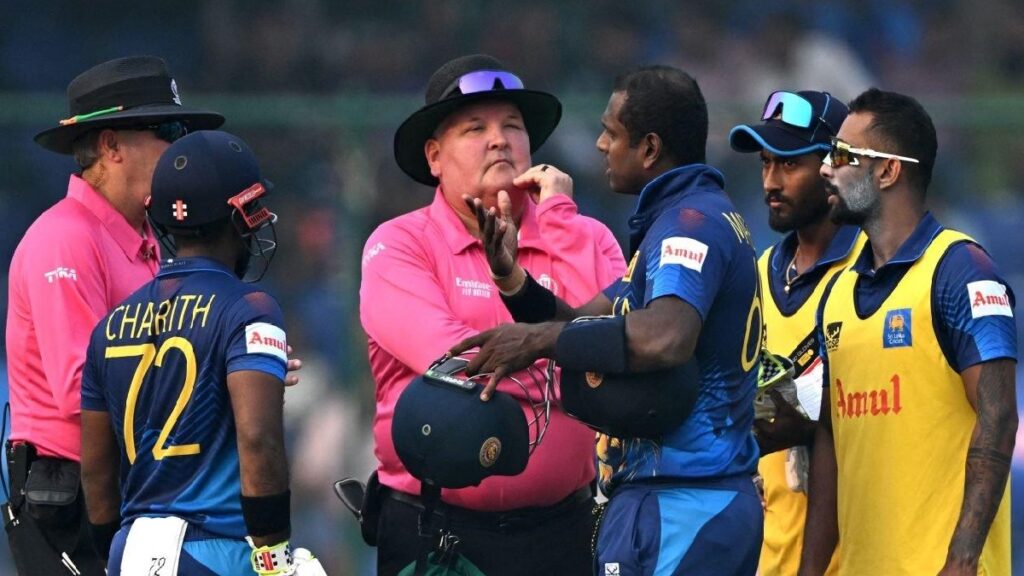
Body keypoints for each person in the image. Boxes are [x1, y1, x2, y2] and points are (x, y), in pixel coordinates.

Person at [452, 65, 763, 575]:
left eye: (611, 133)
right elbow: (584, 322)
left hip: (688, 503)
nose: (600, 145)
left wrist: (540, 340)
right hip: (666, 497)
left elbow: (665, 337)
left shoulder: (691, 226)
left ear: (650, 148)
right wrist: (512, 279)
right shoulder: (678, 220)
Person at [359, 54, 625, 575]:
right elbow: (455, 365)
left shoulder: (588, 237)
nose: (499, 140)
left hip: (565, 533)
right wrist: (579, 369)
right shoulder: (398, 245)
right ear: (434, 157)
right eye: (475, 128)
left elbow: (621, 351)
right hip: (434, 532)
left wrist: (560, 222)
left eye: (513, 126)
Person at [3, 55, 224, 576]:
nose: (180, 149)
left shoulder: (145, 239)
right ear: (111, 146)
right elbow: (80, 389)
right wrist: (214, 382)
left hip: (128, 484)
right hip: (70, 495)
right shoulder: (65, 238)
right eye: (168, 132)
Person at [79, 130, 323, 576]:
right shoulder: (250, 308)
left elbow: (96, 473)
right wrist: (275, 556)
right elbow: (259, 440)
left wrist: (116, 553)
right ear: (239, 217)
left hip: (128, 549)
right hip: (213, 552)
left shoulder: (108, 326)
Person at [800, 88, 1018, 575]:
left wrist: (961, 560)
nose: (825, 168)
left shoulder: (961, 271)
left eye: (842, 155)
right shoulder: (836, 292)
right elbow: (830, 435)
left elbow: (1000, 417)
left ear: (888, 171)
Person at [729, 90, 861, 575]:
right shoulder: (758, 274)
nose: (771, 181)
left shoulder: (872, 273)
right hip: (767, 557)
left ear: (833, 167)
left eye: (789, 164)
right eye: (765, 163)